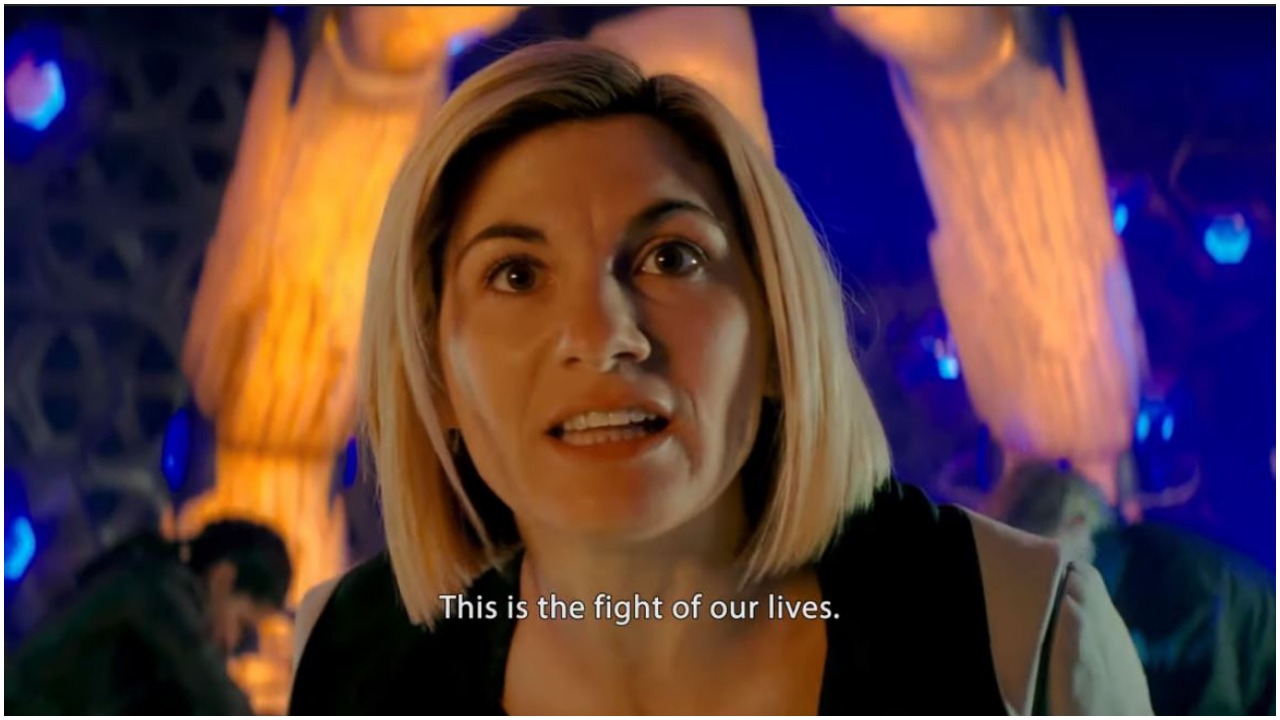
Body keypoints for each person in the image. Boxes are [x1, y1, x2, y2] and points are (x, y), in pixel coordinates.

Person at [289, 37, 1151, 715]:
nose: (604, 336)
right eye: (515, 275)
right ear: (435, 373)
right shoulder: (349, 659)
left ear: (778, 335)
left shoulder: (1023, 629)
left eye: (672, 257)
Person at [1001, 461, 1277, 715]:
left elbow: (1210, 703)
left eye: (1040, 554)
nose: (1036, 579)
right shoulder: (1116, 576)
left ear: (1077, 526)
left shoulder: (1171, 580)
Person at [6, 519, 292, 714]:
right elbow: (208, 680)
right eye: (242, 626)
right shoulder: (156, 589)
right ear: (222, 579)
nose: (232, 643)